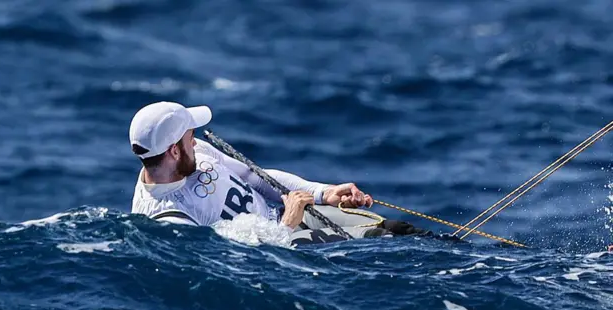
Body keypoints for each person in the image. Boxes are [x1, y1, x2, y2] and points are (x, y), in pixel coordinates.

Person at [129, 101, 431, 244]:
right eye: (188, 138)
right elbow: (226, 265)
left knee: (399, 229)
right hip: (281, 244)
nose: (194, 141)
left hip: (286, 215)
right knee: (382, 241)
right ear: (173, 151)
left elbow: (254, 177)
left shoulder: (197, 155)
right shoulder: (170, 220)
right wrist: (287, 225)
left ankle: (467, 257)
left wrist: (322, 194)